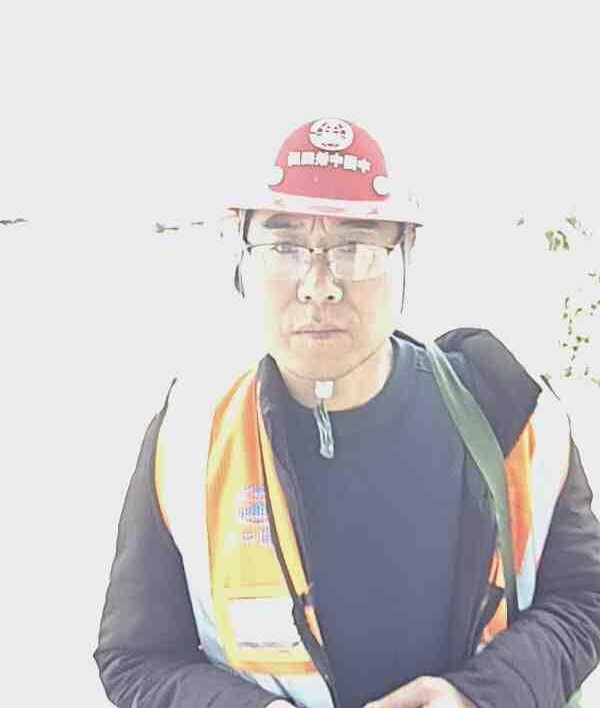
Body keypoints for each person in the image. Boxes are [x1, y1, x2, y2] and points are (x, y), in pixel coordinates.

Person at [94, 117, 600, 708]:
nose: (319, 285)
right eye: (284, 247)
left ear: (406, 250)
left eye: (354, 249)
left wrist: (477, 697)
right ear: (243, 257)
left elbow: (584, 599)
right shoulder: (190, 440)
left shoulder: (512, 420)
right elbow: (135, 658)